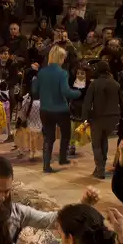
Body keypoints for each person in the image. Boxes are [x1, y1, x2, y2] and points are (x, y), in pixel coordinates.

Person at [31, 45, 82, 173]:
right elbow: (65, 91)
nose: (64, 60)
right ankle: (63, 158)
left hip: (45, 110)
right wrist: (78, 93)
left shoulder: (41, 72)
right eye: (63, 58)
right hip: (61, 110)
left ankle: (46, 165)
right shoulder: (62, 73)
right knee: (66, 134)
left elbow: (34, 91)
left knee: (49, 137)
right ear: (60, 58)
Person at [83, 60, 123, 179]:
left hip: (98, 118)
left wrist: (84, 119)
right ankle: (100, 167)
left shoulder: (94, 84)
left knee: (96, 144)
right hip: (113, 119)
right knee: (104, 140)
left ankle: (100, 169)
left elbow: (87, 103)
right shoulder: (116, 84)